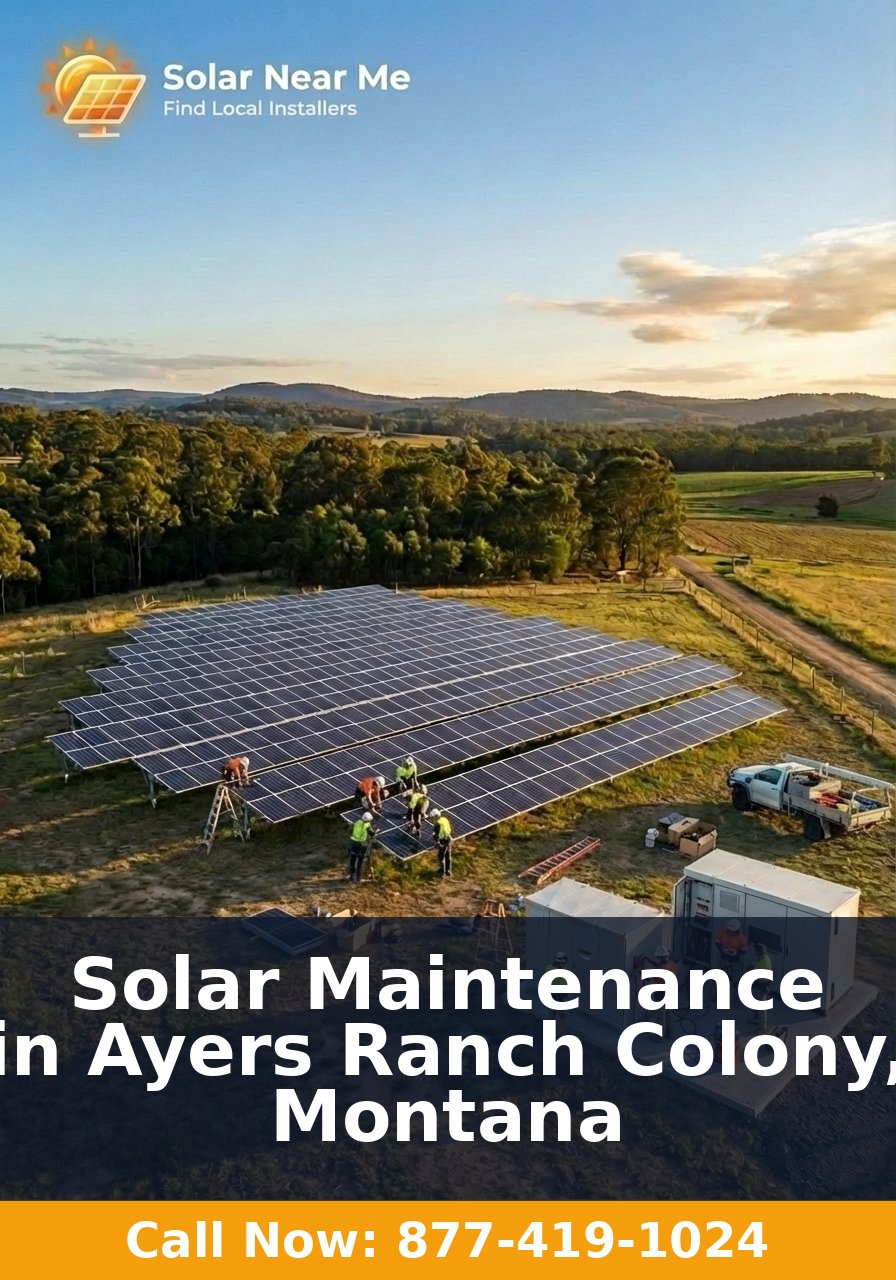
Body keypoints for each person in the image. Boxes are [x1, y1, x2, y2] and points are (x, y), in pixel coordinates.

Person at [347, 812, 374, 884]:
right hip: (361, 844)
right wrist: (375, 832)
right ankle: (358, 879)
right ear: (368, 820)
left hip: (352, 843)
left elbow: (351, 830)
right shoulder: (367, 825)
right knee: (360, 862)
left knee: (352, 860)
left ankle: (351, 877)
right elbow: (371, 833)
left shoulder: (357, 822)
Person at [430, 809, 453, 877]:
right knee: (448, 856)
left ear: (436, 816)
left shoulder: (437, 824)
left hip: (443, 841)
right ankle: (448, 871)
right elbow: (449, 828)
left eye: (432, 818)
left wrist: (437, 843)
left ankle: (442, 872)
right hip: (449, 839)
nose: (432, 819)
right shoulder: (444, 819)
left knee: (441, 856)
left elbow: (436, 835)